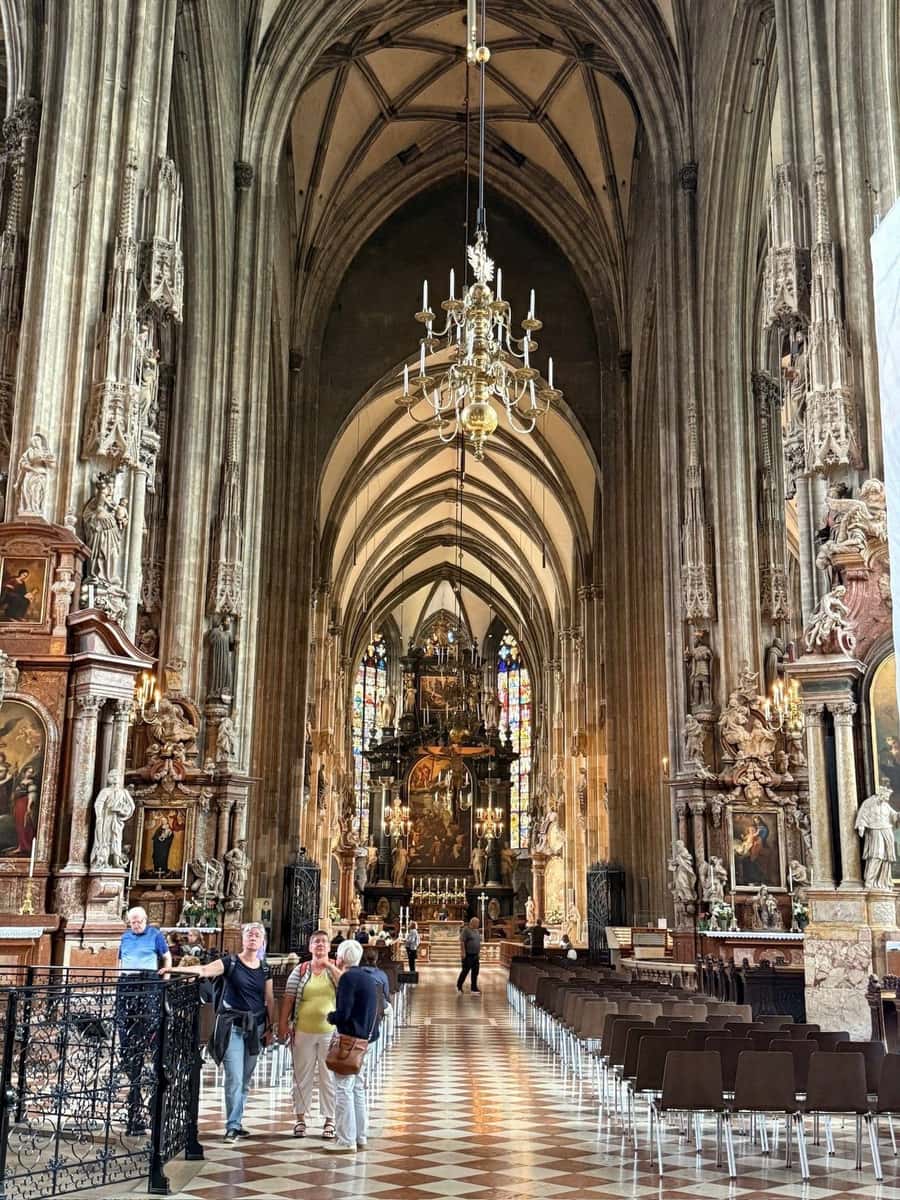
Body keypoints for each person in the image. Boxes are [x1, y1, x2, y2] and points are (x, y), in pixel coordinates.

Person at [167, 922, 275, 1142]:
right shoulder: (231, 962)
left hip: (256, 1027)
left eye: (257, 935)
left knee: (245, 1078)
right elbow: (204, 970)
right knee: (234, 1076)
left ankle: (237, 1119)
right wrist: (172, 968)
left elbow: (269, 999)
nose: (253, 938)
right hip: (232, 1026)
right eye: (249, 934)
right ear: (243, 939)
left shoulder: (265, 968)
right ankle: (232, 1126)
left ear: (262, 941)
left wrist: (271, 1027)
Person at [278, 930, 342, 1140]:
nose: (320, 945)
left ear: (330, 946)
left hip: (329, 1033)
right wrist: (282, 1024)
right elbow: (288, 998)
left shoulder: (335, 969)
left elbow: (345, 985)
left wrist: (330, 966)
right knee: (302, 1076)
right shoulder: (300, 970)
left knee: (328, 1077)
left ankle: (329, 1120)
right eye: (316, 942)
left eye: (324, 941)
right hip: (303, 1030)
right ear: (310, 947)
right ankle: (300, 1119)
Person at [117, 908, 172, 1135]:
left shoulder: (155, 935)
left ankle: (146, 1053)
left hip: (148, 982)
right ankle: (132, 1064)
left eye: (139, 921)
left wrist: (165, 980)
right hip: (127, 981)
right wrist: (117, 978)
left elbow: (166, 957)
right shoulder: (125, 936)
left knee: (147, 1026)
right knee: (127, 1032)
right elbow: (119, 959)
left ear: (146, 921)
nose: (136, 925)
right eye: (132, 922)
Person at [326, 939, 381, 1154]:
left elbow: (344, 1012)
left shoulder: (348, 978)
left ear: (340, 958)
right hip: (363, 1040)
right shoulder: (368, 978)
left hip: (349, 1040)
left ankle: (345, 1139)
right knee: (357, 1088)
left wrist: (331, 1017)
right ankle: (360, 1135)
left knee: (342, 1090)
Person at [457, 917, 482, 994]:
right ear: (473, 923)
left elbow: (478, 942)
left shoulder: (476, 931)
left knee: (475, 972)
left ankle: (474, 988)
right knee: (465, 971)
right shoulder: (466, 930)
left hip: (475, 955)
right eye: (477, 923)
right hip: (468, 955)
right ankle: (459, 986)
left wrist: (478, 952)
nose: (478, 924)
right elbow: (462, 941)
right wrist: (463, 952)